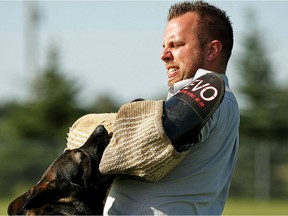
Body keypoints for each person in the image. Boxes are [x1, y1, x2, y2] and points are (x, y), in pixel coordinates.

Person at [67, 0, 239, 215]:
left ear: (212, 50)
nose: (164, 55)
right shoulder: (220, 98)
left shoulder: (210, 90)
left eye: (176, 45)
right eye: (164, 46)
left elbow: (140, 150)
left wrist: (92, 143)